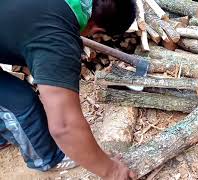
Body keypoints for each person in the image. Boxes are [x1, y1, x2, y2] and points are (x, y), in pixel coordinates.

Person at [0, 0, 137, 179]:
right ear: (96, 31)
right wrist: (112, 170)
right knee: (22, 105)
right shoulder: (56, 40)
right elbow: (64, 126)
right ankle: (49, 159)